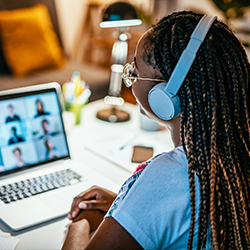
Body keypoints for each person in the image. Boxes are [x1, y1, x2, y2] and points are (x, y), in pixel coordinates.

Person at [62, 11, 250, 250]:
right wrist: (128, 211)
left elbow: (168, 195)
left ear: (166, 95)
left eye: (135, 72)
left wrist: (79, 223)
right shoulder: (235, 156)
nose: (130, 79)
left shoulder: (170, 175)